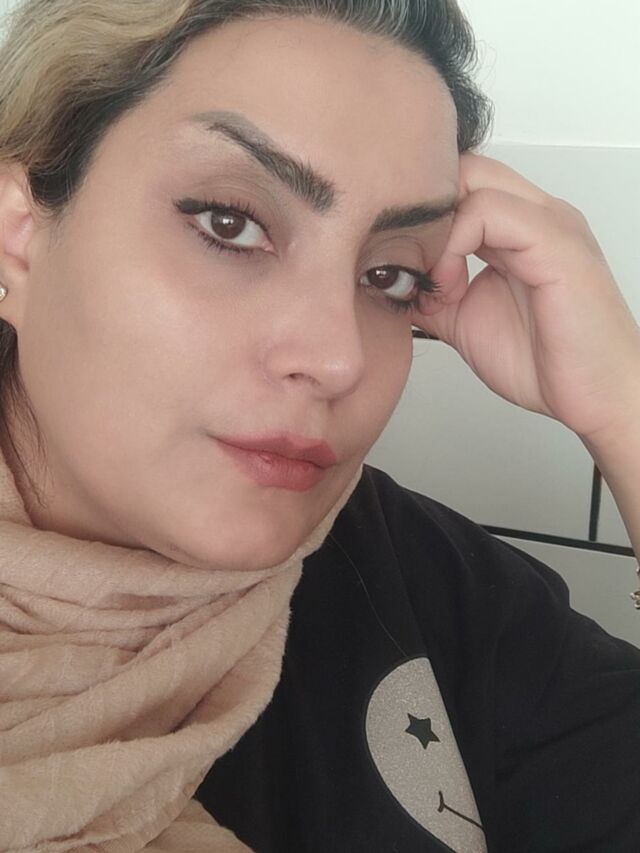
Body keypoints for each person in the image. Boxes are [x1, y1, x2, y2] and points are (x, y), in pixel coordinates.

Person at [0, 0, 638, 850]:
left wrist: (623, 407)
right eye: (230, 223)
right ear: (17, 233)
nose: (340, 357)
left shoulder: (432, 583)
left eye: (391, 275)